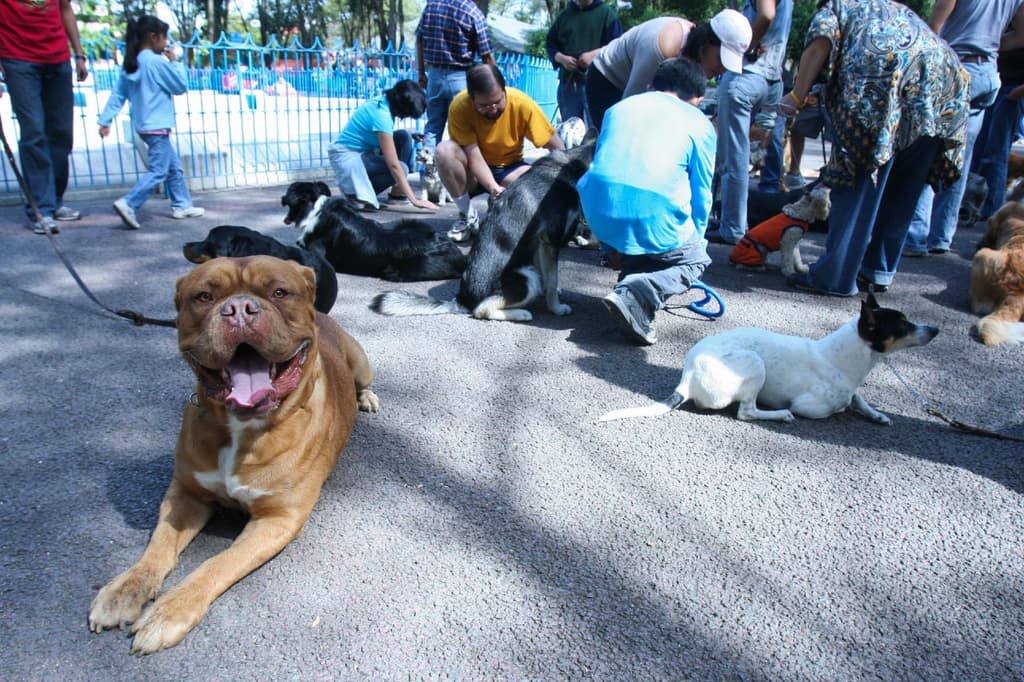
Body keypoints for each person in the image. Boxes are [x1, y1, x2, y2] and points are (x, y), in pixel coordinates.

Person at [782, 0, 969, 297]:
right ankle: (878, 270)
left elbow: (820, 43)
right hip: (944, 81)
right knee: (905, 184)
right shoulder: (890, 8)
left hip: (883, 82)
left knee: (857, 181)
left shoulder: (835, 7)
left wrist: (796, 95)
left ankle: (834, 277)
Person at [577, 58, 715, 346]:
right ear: (697, 98)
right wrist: (696, 241)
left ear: (652, 85)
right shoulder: (700, 123)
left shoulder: (618, 108)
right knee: (695, 258)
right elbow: (702, 192)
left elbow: (608, 165)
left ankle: (629, 291)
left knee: (646, 233)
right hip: (652, 216)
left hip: (596, 211)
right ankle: (639, 292)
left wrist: (609, 246)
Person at [903, 0, 1022, 257]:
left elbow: (934, 28)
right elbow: (1021, 36)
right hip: (987, 72)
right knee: (961, 157)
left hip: (956, 66)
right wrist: (988, 44)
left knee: (928, 151)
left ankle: (915, 235)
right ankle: (941, 235)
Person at [436, 63, 564, 242]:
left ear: (504, 91)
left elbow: (557, 147)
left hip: (509, 168)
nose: (492, 109)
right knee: (444, 151)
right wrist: (494, 189)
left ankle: (500, 209)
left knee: (539, 181)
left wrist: (569, 181)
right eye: (484, 105)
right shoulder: (460, 107)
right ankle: (467, 216)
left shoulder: (522, 104)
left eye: (497, 102)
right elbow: (474, 156)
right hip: (472, 171)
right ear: (472, 99)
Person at [98, 15, 203, 230]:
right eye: (164, 37)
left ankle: (182, 205)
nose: (166, 43)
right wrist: (175, 62)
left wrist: (106, 120)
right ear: (153, 37)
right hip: (158, 126)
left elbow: (118, 95)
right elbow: (180, 86)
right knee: (159, 170)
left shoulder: (132, 63)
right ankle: (129, 203)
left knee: (173, 167)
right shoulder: (155, 62)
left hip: (145, 126)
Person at [709, 0, 794, 246]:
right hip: (772, 77)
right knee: (749, 150)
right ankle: (731, 219)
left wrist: (746, 48)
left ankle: (732, 227)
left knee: (732, 157)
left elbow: (766, 14)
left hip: (747, 74)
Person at [0, 0, 88, 235]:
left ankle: (55, 200)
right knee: (34, 132)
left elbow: (66, 9)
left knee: (61, 132)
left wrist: (79, 54)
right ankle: (41, 208)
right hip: (18, 59)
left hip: (58, 59)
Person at [584, 9, 751, 131]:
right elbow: (628, 111)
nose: (722, 69)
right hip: (607, 79)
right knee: (616, 138)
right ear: (706, 43)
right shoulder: (662, 49)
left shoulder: (696, 56)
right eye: (721, 60)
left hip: (633, 84)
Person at [328, 80, 438, 211]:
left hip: (364, 152)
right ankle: (356, 196)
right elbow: (393, 165)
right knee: (402, 168)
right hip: (349, 158)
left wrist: (411, 133)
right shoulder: (382, 117)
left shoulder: (383, 102)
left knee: (404, 136)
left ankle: (397, 192)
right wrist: (414, 200)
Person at [415, 0, 496, 146]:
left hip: (434, 76)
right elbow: (486, 55)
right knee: (463, 127)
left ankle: (427, 157)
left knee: (433, 126)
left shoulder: (432, 6)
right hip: (461, 78)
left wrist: (421, 72)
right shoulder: (472, 12)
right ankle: (459, 160)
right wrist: (496, 84)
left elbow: (419, 41)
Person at [545, 0, 622, 125]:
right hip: (569, 84)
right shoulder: (564, 16)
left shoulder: (607, 14)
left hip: (598, 84)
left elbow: (617, 45)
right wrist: (562, 59)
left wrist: (593, 55)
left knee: (598, 127)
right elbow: (550, 44)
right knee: (570, 129)